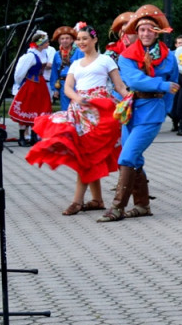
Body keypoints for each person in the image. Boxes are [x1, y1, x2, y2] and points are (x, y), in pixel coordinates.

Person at [27, 22, 129, 215]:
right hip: (80, 111)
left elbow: (119, 86)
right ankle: (97, 199)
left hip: (99, 113)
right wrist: (77, 99)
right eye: (79, 40)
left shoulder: (106, 61)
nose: (81, 42)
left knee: (88, 155)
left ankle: (77, 201)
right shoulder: (75, 63)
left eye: (85, 39)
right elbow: (68, 87)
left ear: (94, 39)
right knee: (87, 155)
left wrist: (130, 100)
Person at [98, 5, 179, 222]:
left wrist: (164, 109)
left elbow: (175, 85)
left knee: (126, 156)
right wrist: (162, 85)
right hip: (131, 112)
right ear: (136, 32)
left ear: (157, 32)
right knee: (135, 158)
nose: (145, 34)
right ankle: (143, 205)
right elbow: (133, 80)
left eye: (150, 29)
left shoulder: (169, 57)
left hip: (153, 112)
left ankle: (117, 207)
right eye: (141, 30)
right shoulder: (126, 56)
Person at [10, 30, 54, 147]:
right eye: (45, 41)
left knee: (38, 109)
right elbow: (19, 73)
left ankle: (34, 136)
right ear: (40, 43)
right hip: (30, 84)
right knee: (27, 108)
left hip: (41, 84)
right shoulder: (30, 55)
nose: (47, 43)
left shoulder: (43, 53)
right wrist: (18, 85)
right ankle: (22, 137)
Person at [49, 26, 79, 111]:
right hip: (63, 84)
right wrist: (54, 89)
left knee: (78, 108)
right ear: (59, 41)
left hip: (76, 83)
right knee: (65, 109)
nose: (64, 40)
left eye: (67, 38)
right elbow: (54, 72)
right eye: (62, 39)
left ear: (72, 40)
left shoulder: (79, 52)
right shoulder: (57, 54)